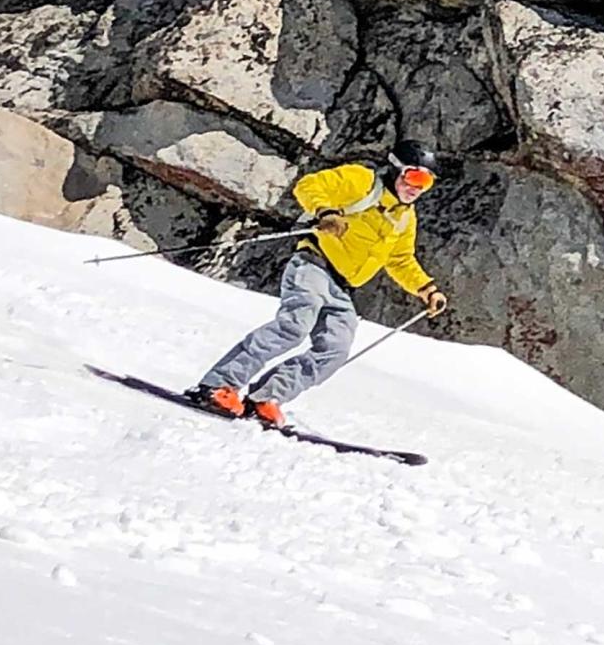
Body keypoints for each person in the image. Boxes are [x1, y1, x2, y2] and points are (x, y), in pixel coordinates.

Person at [189, 138, 447, 429]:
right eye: (414, 176)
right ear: (395, 168)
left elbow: (400, 260)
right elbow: (309, 185)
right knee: (293, 327)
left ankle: (266, 397)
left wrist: (426, 288)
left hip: (343, 289)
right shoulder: (360, 180)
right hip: (314, 265)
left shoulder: (404, 218)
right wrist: (326, 212)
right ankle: (218, 385)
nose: (417, 187)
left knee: (334, 350)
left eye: (426, 182)